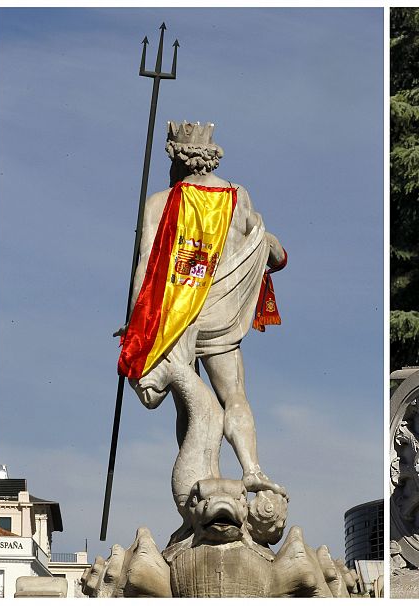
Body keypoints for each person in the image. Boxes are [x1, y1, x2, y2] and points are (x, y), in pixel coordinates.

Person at [116, 121, 287, 521]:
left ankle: (199, 479)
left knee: (188, 408)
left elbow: (144, 268)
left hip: (176, 317)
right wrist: (264, 248)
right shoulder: (237, 197)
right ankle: (252, 470)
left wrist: (134, 323)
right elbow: (274, 252)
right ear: (211, 156)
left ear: (176, 159)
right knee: (234, 396)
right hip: (223, 315)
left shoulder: (161, 201)